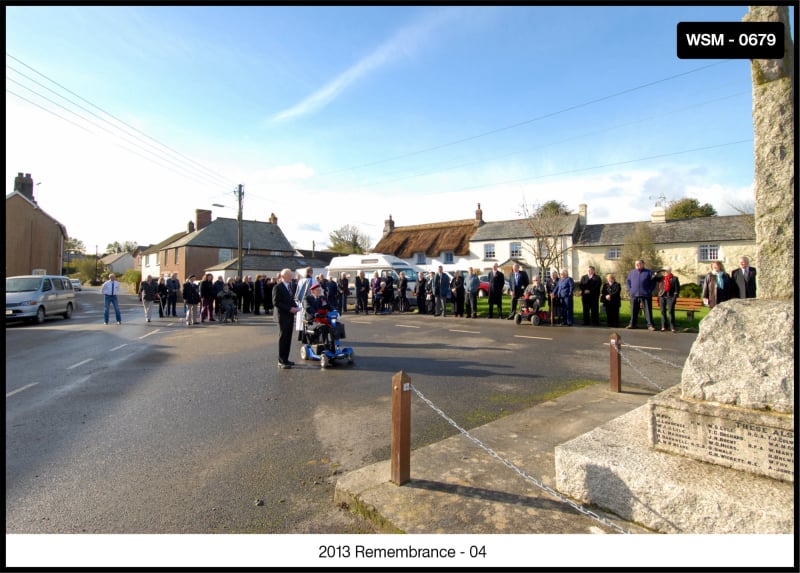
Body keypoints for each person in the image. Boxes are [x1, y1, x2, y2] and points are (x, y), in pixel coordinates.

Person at [273, 268, 300, 369]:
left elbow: (291, 299)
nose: (291, 277)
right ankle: (281, 361)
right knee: (283, 338)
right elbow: (276, 302)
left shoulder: (290, 286)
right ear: (283, 276)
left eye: (291, 275)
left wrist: (296, 307)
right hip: (282, 316)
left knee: (288, 338)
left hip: (290, 316)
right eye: (289, 275)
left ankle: (286, 359)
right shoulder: (278, 287)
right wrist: (290, 309)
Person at [626, 259, 656, 330]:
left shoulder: (649, 272)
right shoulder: (632, 272)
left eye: (639, 264)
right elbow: (628, 281)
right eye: (636, 264)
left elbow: (653, 283)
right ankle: (632, 324)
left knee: (647, 310)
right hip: (634, 294)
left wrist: (649, 291)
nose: (637, 265)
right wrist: (630, 290)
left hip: (646, 295)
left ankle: (650, 325)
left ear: (643, 264)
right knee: (633, 310)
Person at [654, 266, 680, 332]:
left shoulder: (674, 279)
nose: (665, 272)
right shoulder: (662, 278)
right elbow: (653, 279)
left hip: (670, 297)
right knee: (663, 312)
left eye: (666, 271)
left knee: (671, 312)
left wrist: (674, 298)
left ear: (669, 271)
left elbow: (677, 290)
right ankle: (663, 326)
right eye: (664, 271)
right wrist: (657, 272)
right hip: (662, 296)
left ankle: (672, 327)